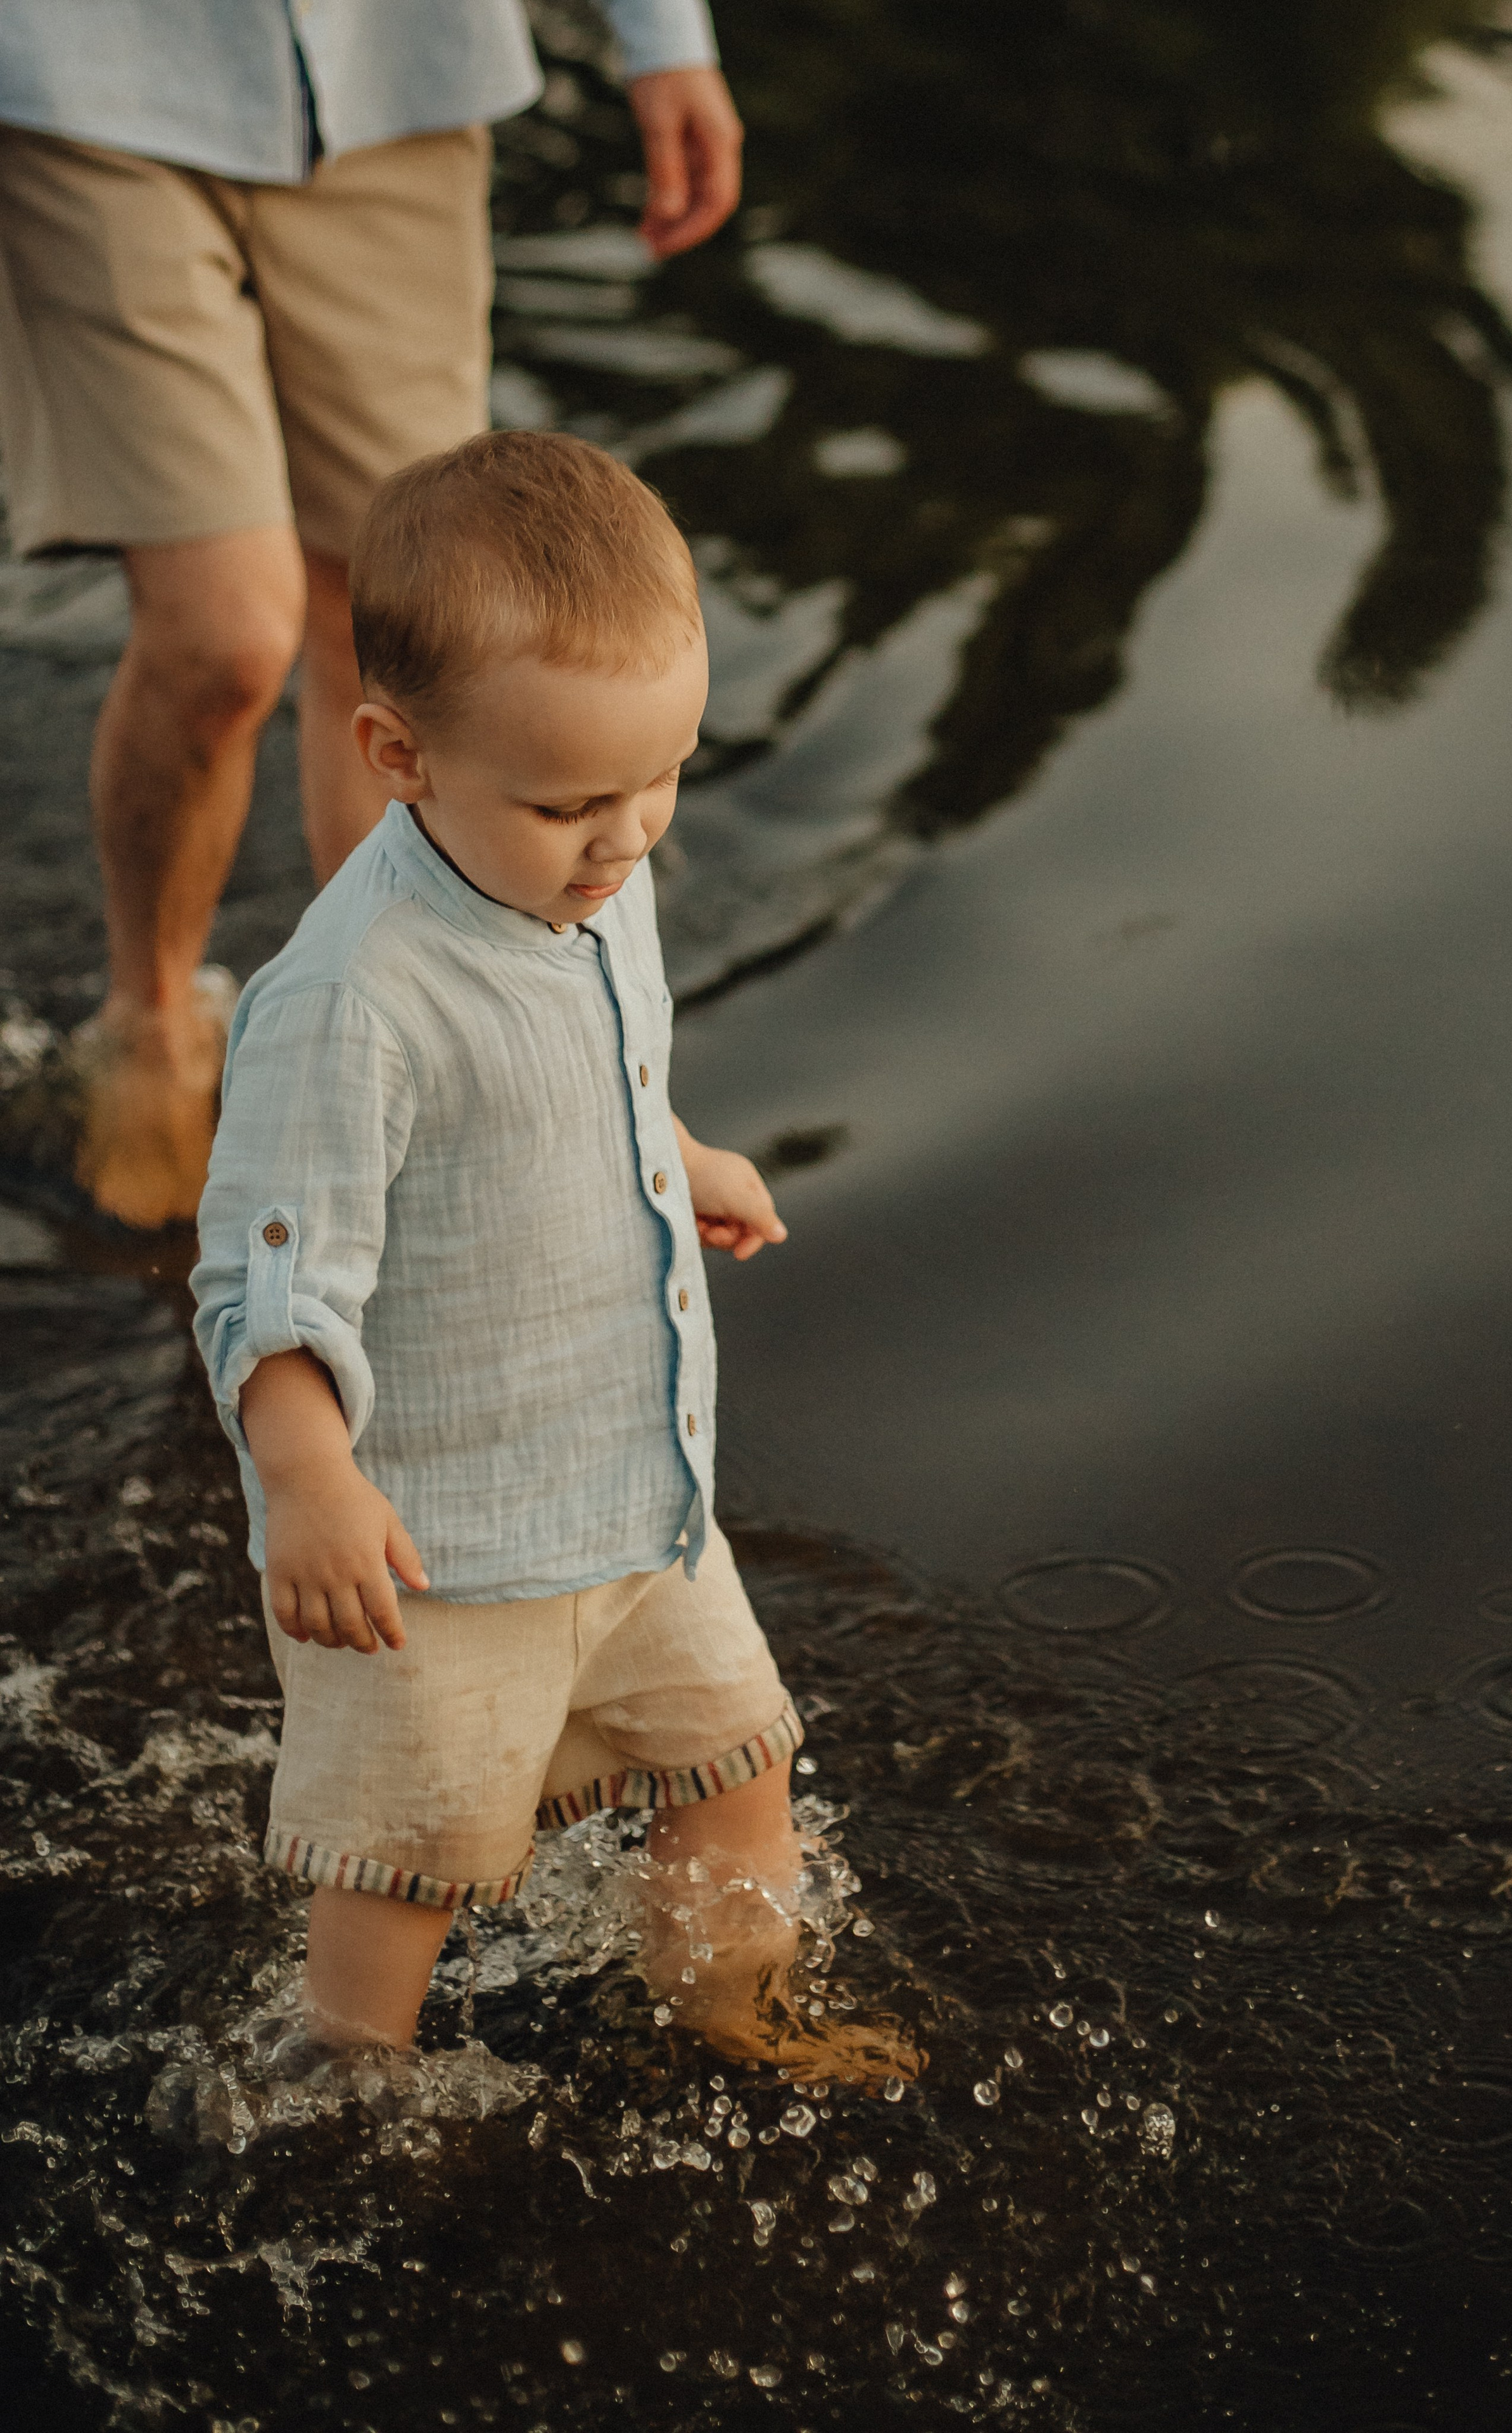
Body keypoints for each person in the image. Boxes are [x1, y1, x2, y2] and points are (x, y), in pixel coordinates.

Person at [190, 431, 917, 2084]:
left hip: (635, 1494)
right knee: (410, 1869)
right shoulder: (353, 1001)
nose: (625, 835)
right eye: (571, 801)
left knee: (740, 1762)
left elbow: (593, 1069)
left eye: (662, 778)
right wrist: (307, 1481)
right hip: (438, 1556)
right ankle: (343, 2102)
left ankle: (734, 2015)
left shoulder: (591, 875)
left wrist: (676, 1151)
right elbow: (261, 1278)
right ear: (397, 754)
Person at [0, 0, 744, 1229]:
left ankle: (405, 1039)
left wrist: (664, 39)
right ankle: (152, 1024)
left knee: (395, 617)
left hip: (396, 69)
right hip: (91, 75)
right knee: (226, 637)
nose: (626, 842)